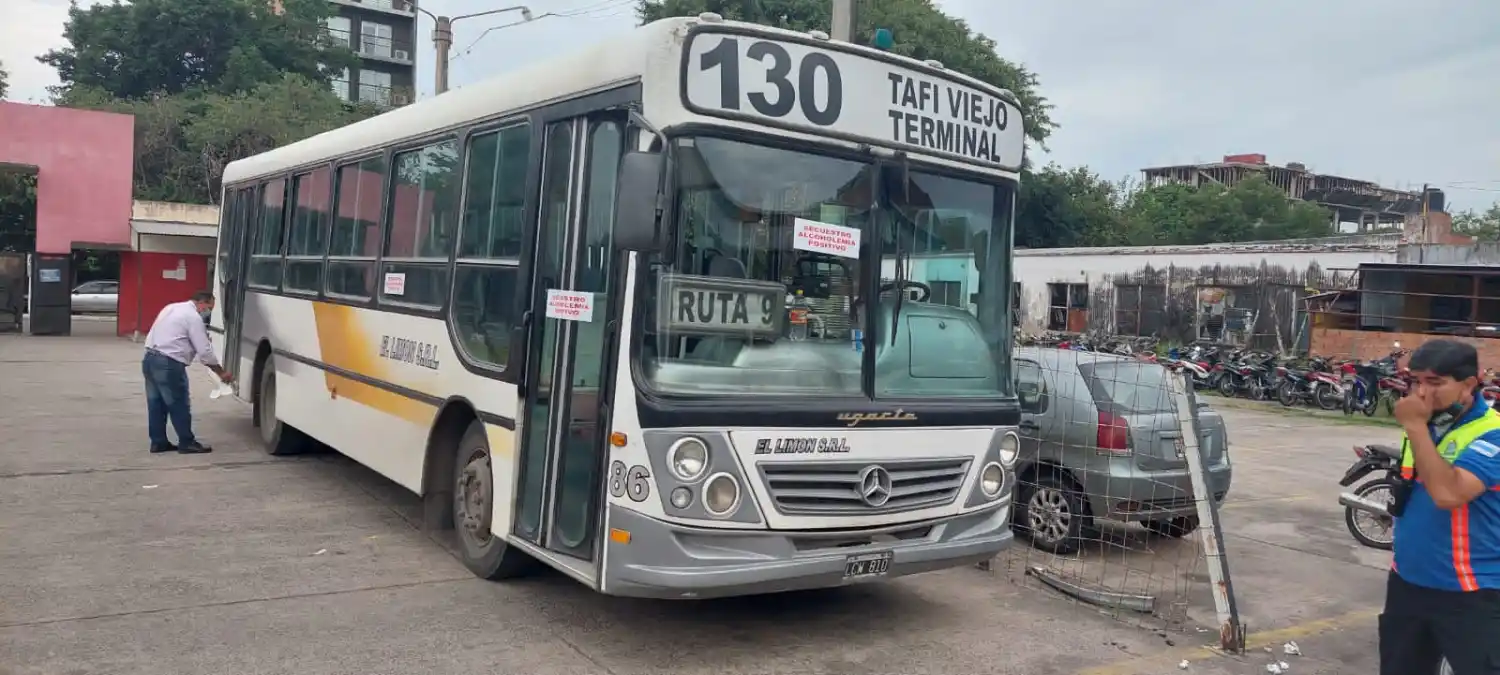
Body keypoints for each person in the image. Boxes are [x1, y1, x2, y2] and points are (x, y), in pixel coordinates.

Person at [1380, 339, 1500, 675]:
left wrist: (1415, 427)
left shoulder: (1491, 434)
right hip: (1407, 582)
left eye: (1435, 382)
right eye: (1416, 381)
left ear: (1469, 384)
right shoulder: (1431, 425)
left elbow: (1448, 494)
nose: (1422, 393)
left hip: (1469, 592)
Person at [142, 290, 232, 454]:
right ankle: (186, 442)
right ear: (202, 303)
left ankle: (158, 442)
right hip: (169, 363)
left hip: (150, 358)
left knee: (156, 404)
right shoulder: (193, 317)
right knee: (179, 404)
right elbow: (204, 352)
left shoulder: (171, 307)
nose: (208, 312)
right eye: (209, 308)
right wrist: (221, 373)